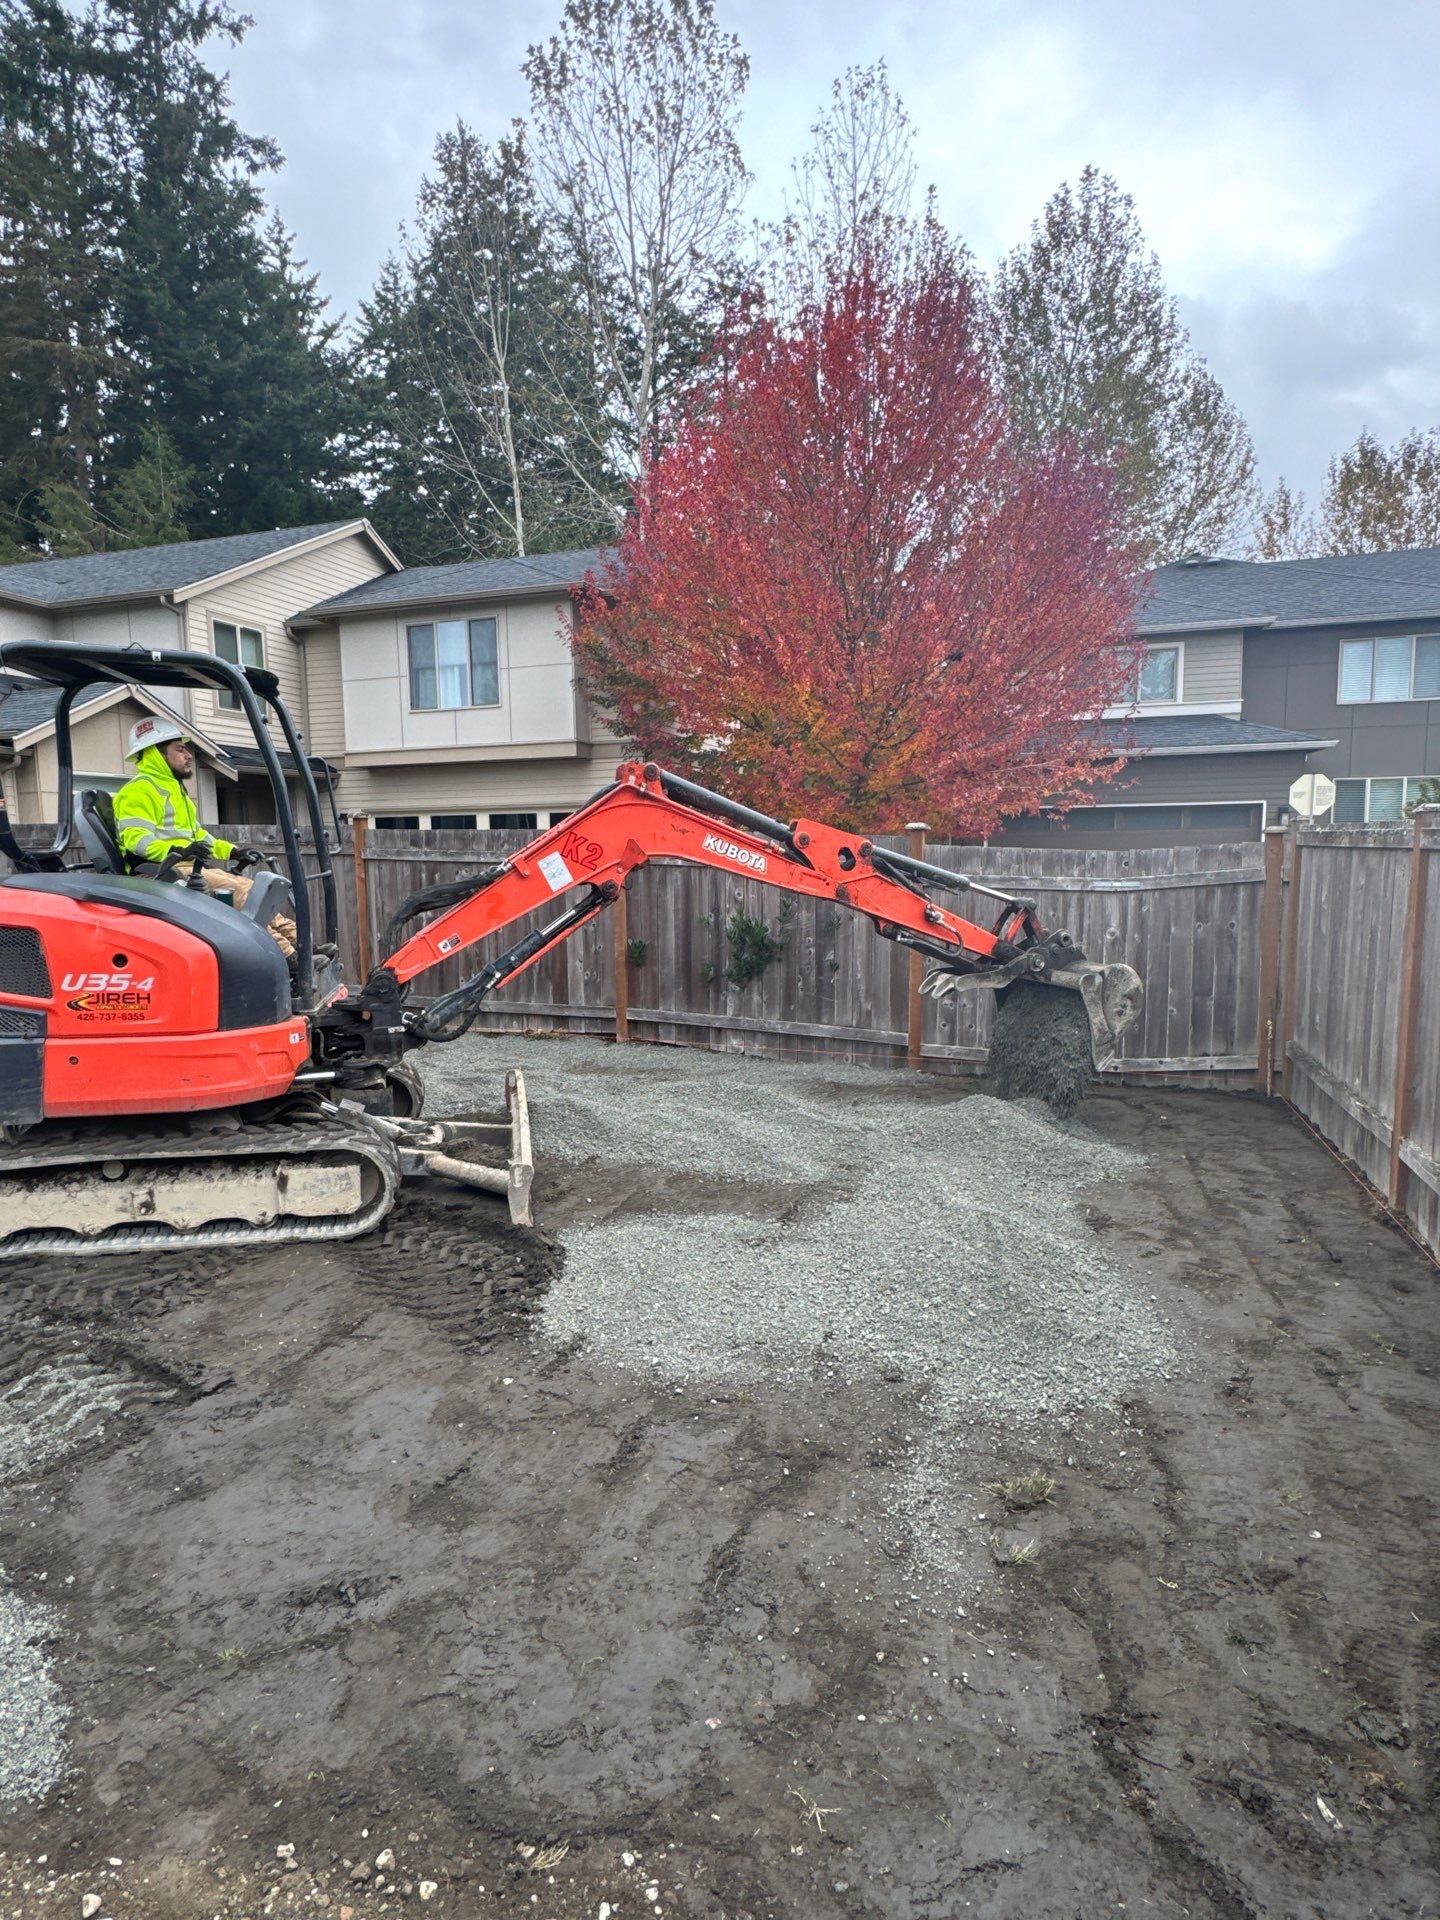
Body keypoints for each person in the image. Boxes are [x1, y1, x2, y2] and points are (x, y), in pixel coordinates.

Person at [113, 716, 298, 959]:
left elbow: (200, 837)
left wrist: (233, 851)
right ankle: (287, 958)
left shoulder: (175, 792)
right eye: (179, 749)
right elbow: (137, 841)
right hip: (158, 874)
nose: (188, 754)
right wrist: (182, 850)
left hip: (185, 867)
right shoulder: (138, 791)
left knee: (254, 890)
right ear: (156, 755)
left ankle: (302, 947)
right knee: (241, 890)